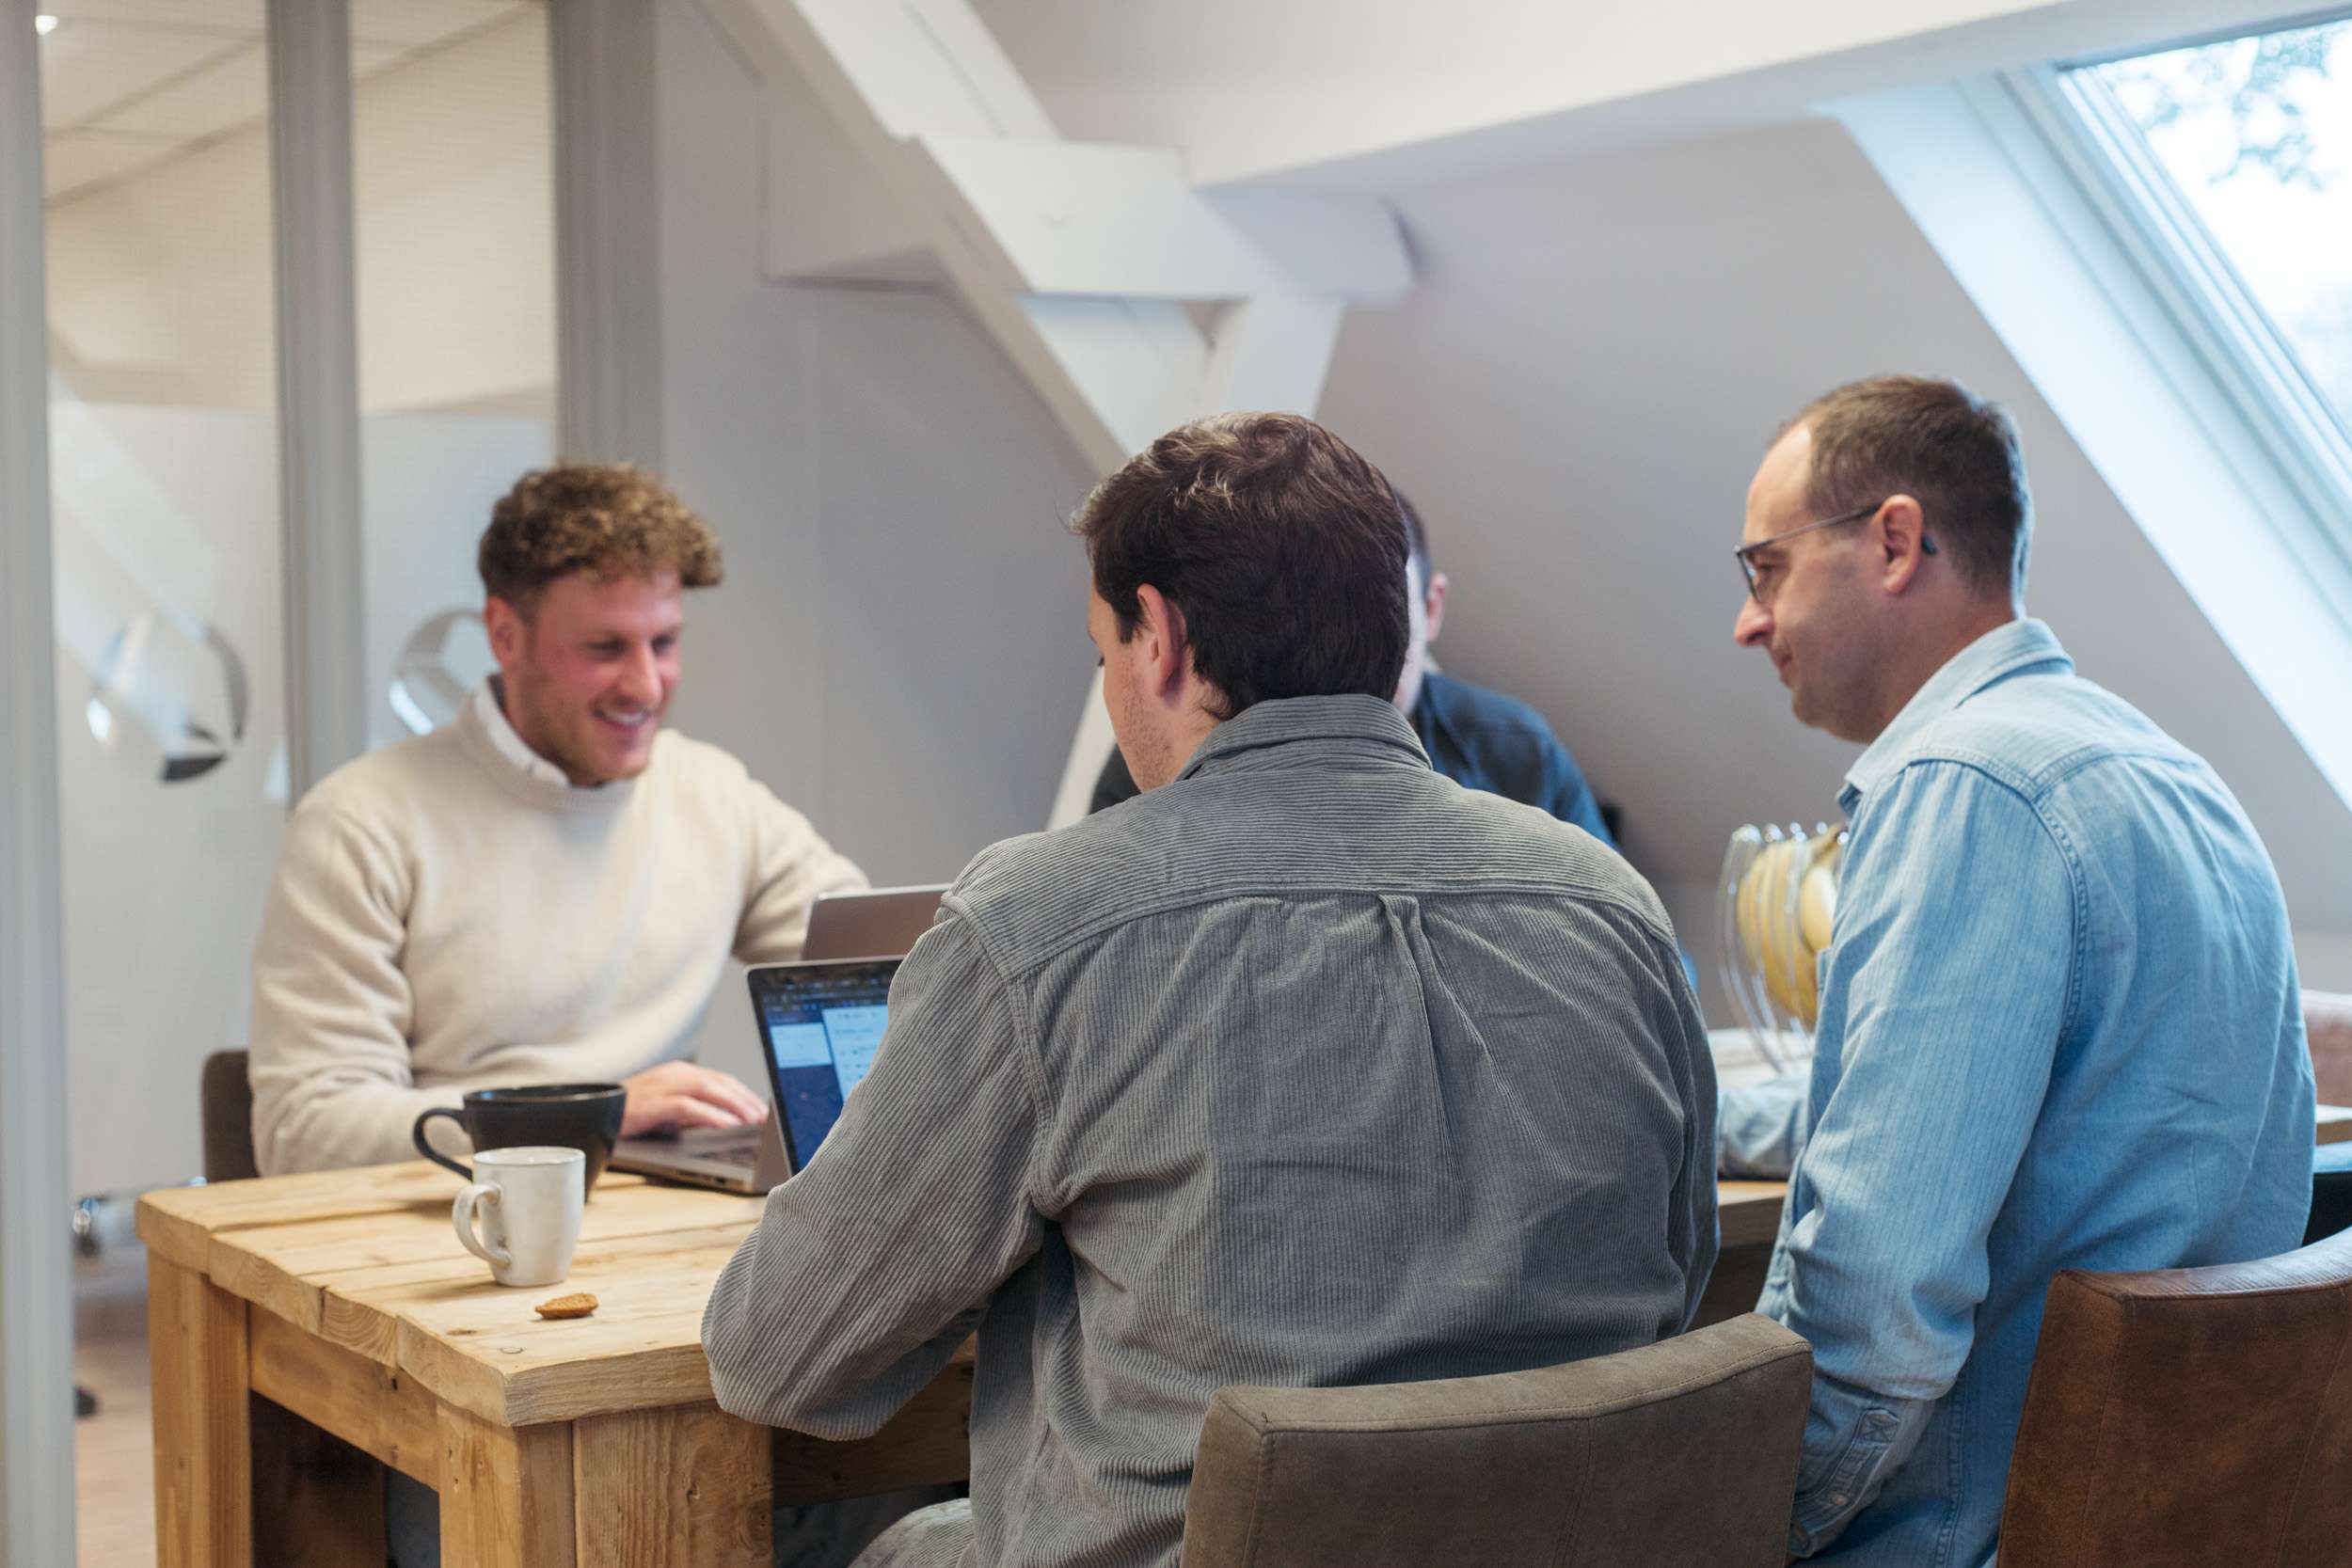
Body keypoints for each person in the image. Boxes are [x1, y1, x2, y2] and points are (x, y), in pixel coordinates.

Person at [704, 413, 1717, 1568]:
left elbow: (776, 1354)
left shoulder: (1042, 920)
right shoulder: (1614, 908)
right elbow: (1675, 1277)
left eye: (1101, 653)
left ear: (1163, 639)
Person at [1724, 375, 2313, 1565]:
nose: (1746, 621)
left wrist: (1746, 1525)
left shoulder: (1962, 791)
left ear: (1893, 541)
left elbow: (1875, 1299)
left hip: (1958, 1532)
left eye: (1764, 568)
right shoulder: (2173, 773)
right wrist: (1686, 1116)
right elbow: (1986, 1115)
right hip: (2175, 1521)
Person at [248, 462, 867, 1177]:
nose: (645, 684)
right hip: (459, 1230)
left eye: (664, 643)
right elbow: (305, 1132)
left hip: (665, 1215)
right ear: (505, 635)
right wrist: (593, 1111)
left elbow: (887, 964)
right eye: (605, 648)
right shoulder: (359, 825)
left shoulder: (713, 794)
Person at [1087, 491, 1613, 844]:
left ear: (1431, 609)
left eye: (1388, 617)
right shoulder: (1168, 741)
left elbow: (1644, 946)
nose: (1362, 646)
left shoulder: (1518, 750)